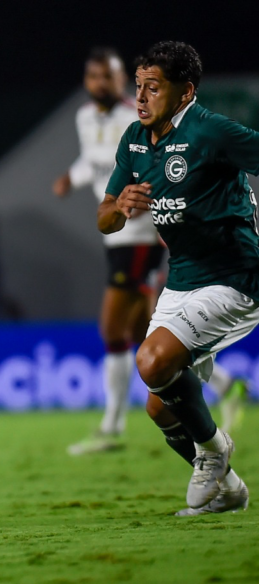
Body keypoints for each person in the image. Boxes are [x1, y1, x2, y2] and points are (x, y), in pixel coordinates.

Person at [56, 48, 248, 456]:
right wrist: (100, 196)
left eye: (107, 76)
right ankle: (225, 394)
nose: (139, 95)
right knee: (156, 369)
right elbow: (98, 187)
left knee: (119, 334)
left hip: (157, 246)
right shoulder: (97, 122)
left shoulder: (182, 125)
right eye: (92, 77)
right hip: (134, 246)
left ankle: (114, 424)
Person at [99, 41, 258, 516]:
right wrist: (119, 208)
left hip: (233, 276)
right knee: (160, 407)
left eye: (154, 87)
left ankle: (213, 451)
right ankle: (228, 490)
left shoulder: (211, 132)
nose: (142, 97)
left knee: (151, 361)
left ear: (185, 92)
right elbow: (104, 217)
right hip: (183, 278)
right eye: (138, 87)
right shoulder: (133, 139)